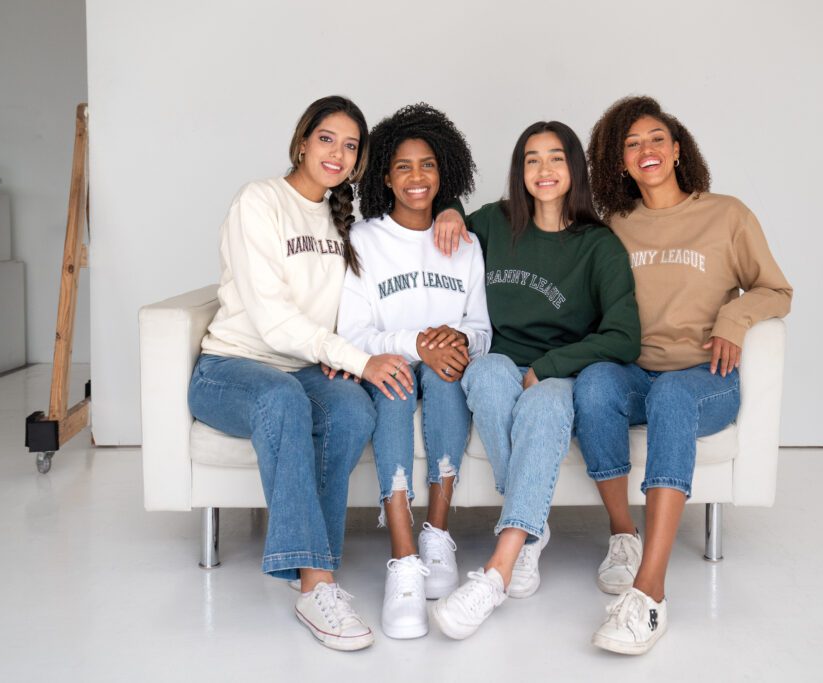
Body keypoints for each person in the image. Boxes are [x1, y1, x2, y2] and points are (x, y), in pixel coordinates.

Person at [187, 96, 415, 652]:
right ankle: (315, 583)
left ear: (359, 162)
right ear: (302, 142)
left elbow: (345, 310)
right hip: (230, 370)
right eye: (327, 139)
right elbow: (270, 320)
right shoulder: (258, 201)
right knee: (283, 400)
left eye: (351, 145)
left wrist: (339, 362)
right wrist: (356, 359)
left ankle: (317, 561)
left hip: (300, 369)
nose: (337, 153)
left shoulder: (342, 226)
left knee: (354, 407)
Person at [574, 95, 793, 654]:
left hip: (704, 380)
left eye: (655, 139)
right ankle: (623, 534)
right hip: (635, 374)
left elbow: (775, 289)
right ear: (619, 162)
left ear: (676, 149)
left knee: (672, 393)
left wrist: (733, 318)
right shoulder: (616, 226)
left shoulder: (726, 215)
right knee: (596, 385)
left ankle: (650, 594)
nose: (645, 150)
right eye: (631, 144)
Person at [429, 121, 641, 640]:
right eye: (531, 159)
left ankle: (502, 564)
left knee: (545, 402)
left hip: (560, 371)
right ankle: (531, 529)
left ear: (574, 168)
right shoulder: (494, 223)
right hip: (500, 363)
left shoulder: (598, 245)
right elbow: (432, 220)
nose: (543, 171)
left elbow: (624, 337)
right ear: (519, 169)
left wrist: (546, 368)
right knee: (488, 374)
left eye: (555, 158)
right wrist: (450, 208)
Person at [337, 103, 490, 640]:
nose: (417, 176)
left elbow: (481, 328)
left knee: (447, 375)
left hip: (443, 367)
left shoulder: (464, 242)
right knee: (399, 381)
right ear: (384, 175)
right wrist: (417, 344)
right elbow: (354, 337)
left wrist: (459, 339)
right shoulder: (364, 241)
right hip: (395, 368)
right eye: (403, 166)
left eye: (427, 165)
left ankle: (436, 535)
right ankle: (402, 558)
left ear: (443, 173)